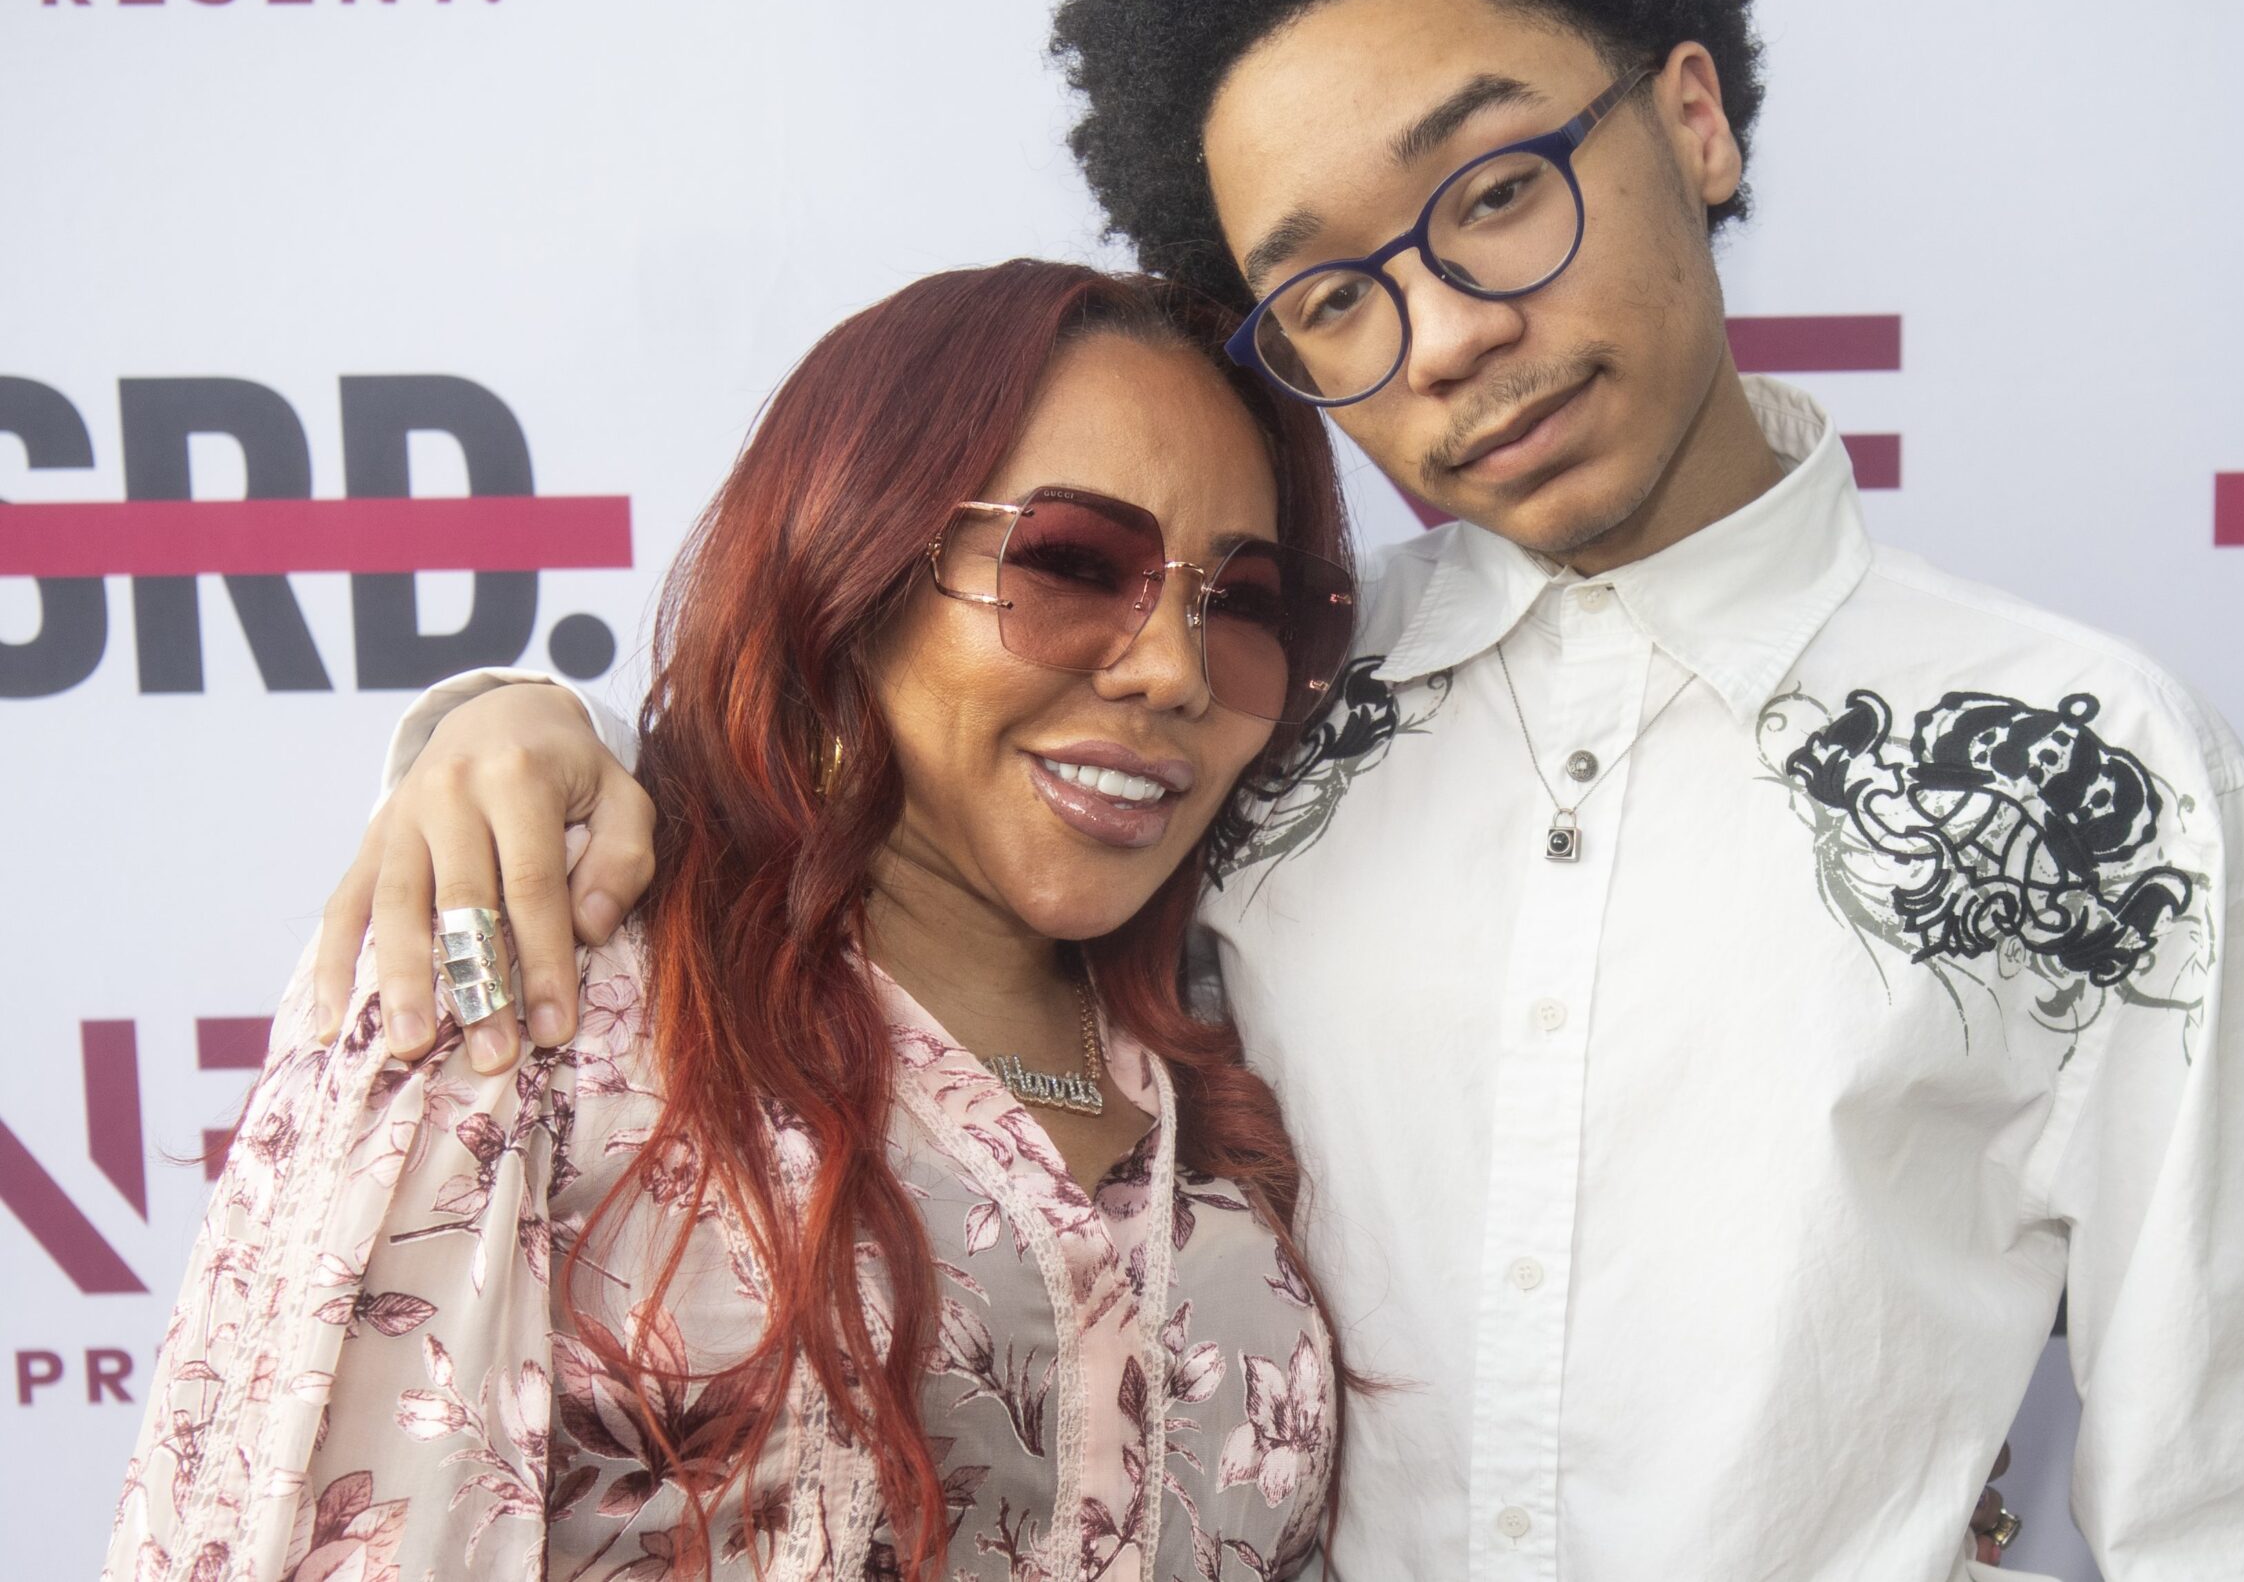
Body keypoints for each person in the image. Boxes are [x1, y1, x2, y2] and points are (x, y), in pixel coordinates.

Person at [305, 0, 2244, 1577]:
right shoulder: (1250, 701)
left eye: (1495, 192)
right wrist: (519, 728)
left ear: (1692, 119)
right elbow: (879, 813)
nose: (1453, 336)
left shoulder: (2085, 773)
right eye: (1329, 298)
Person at [104, 263, 1367, 1580]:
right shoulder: (539, 987)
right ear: (855, 558)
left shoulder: (1248, 1033)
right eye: (1071, 565)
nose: (1173, 669)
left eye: (1246, 605)